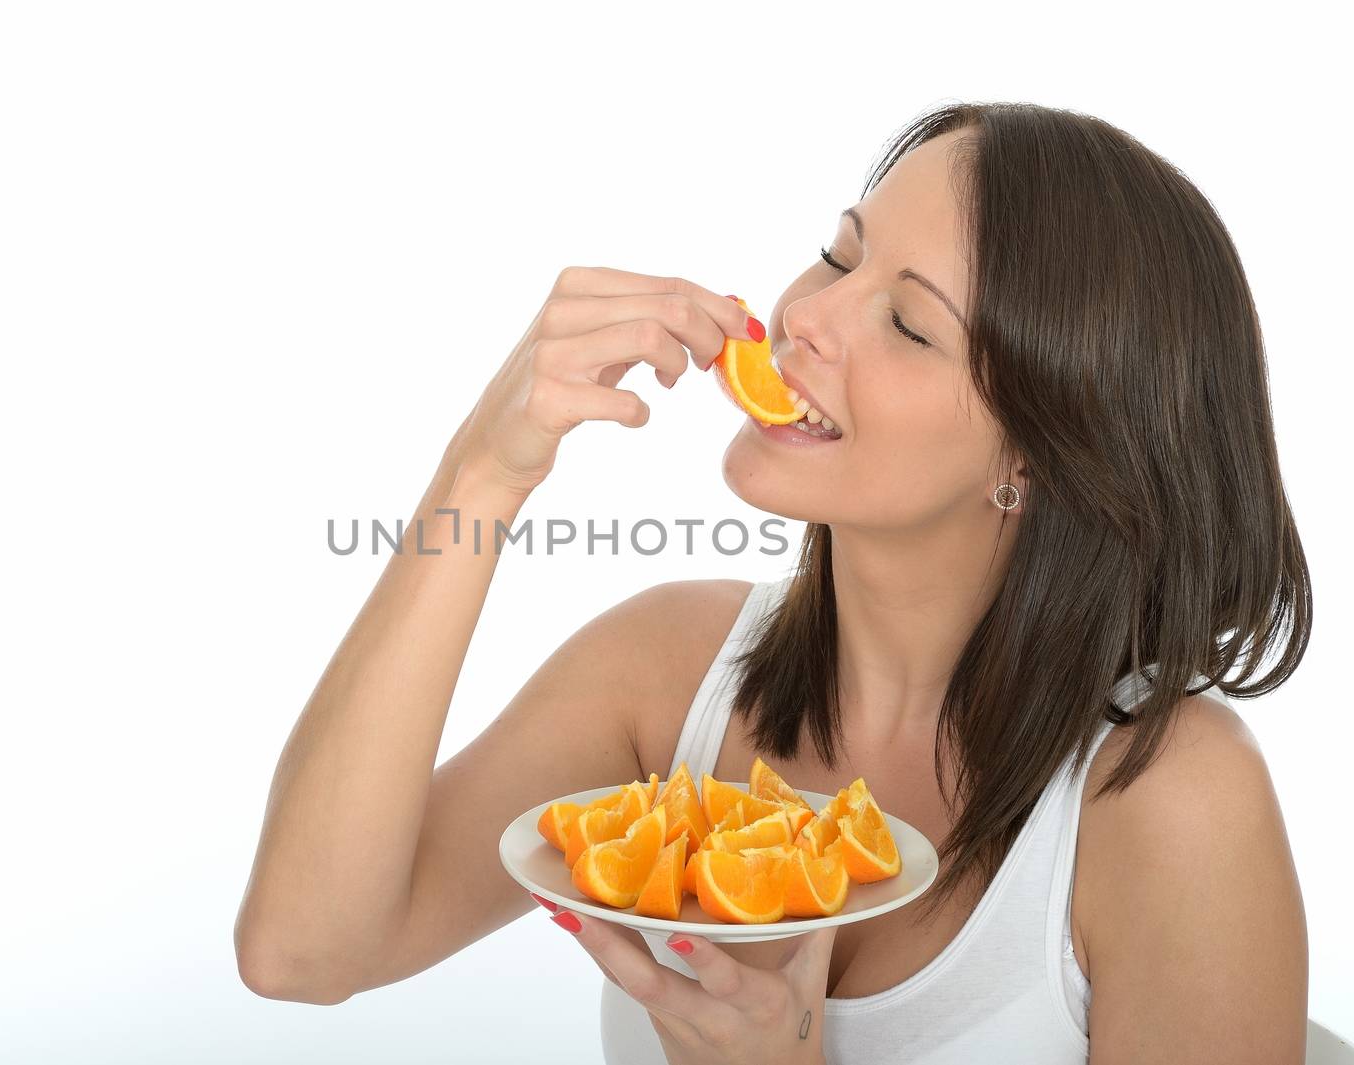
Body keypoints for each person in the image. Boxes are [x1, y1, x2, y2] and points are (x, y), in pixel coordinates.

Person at [234, 101, 1311, 1064]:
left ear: (1035, 457)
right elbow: (302, 951)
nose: (806, 317)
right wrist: (487, 469)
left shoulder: (1169, 802)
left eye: (906, 323)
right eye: (839, 259)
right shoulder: (665, 670)